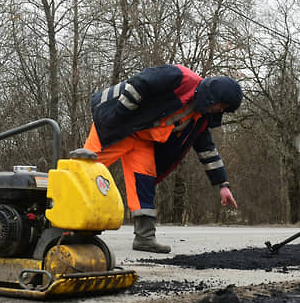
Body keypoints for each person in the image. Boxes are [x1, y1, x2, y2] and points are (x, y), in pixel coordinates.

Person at [84, 64, 242, 253]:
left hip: (143, 141)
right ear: (213, 96)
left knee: (144, 182)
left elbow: (207, 150)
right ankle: (57, 221)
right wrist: (118, 117)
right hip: (117, 127)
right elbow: (139, 83)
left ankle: (145, 238)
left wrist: (222, 185)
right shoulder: (180, 77)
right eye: (221, 105)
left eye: (224, 109)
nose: (220, 110)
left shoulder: (200, 117)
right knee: (84, 171)